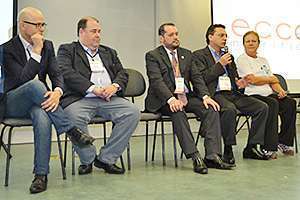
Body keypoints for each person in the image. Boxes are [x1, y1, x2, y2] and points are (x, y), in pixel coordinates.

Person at [0, 7, 95, 194]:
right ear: (22, 25)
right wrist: (36, 50)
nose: (42, 29)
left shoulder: (48, 45)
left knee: (42, 116)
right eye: (37, 24)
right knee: (36, 85)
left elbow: (57, 74)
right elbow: (22, 80)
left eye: (43, 24)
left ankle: (41, 175)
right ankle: (71, 129)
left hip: (40, 102)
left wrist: (58, 91)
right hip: (14, 102)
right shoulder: (6, 49)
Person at [145, 23, 233, 174]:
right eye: (171, 35)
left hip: (186, 96)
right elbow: (156, 81)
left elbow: (197, 78)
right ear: (162, 38)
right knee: (178, 111)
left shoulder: (186, 54)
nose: (175, 37)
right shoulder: (153, 56)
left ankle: (212, 155)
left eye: (176, 34)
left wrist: (205, 96)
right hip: (164, 99)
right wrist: (171, 100)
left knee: (211, 108)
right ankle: (194, 156)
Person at [57, 16, 140, 176]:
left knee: (132, 112)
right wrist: (93, 88)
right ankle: (88, 159)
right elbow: (66, 72)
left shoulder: (108, 52)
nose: (98, 35)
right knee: (72, 116)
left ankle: (106, 159)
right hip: (80, 98)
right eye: (93, 31)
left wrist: (114, 86)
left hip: (110, 98)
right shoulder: (67, 50)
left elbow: (122, 73)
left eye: (99, 31)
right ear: (81, 32)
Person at [192, 24, 270, 164]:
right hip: (214, 94)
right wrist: (219, 65)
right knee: (229, 109)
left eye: (226, 35)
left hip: (232, 93)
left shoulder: (229, 56)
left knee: (262, 107)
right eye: (221, 35)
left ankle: (251, 147)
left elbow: (233, 78)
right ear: (210, 37)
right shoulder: (199, 55)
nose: (225, 38)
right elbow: (202, 79)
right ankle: (228, 148)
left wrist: (240, 83)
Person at [236, 31, 296, 156]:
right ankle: (268, 147)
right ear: (244, 44)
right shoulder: (242, 59)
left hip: (269, 94)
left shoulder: (263, 60)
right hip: (253, 95)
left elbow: (274, 81)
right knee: (272, 104)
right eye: (248, 41)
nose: (251, 43)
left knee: (290, 103)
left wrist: (280, 90)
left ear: (258, 43)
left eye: (254, 41)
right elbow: (253, 80)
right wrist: (271, 79)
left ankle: (284, 142)